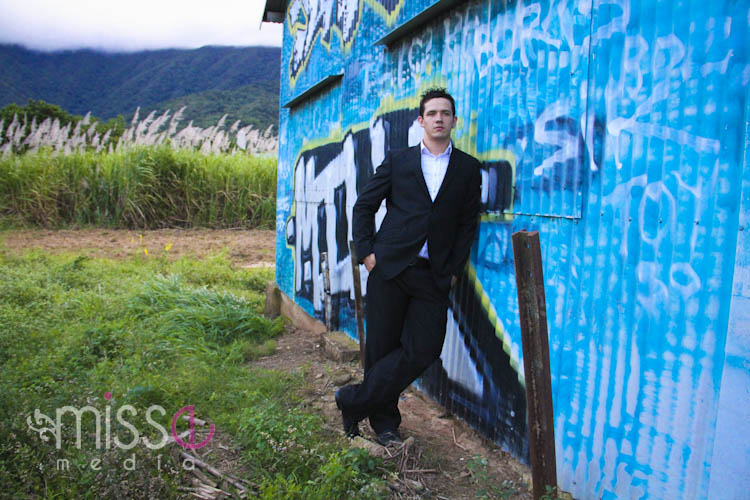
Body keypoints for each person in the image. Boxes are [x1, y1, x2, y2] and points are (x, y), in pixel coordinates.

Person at [335, 88, 482, 445]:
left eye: (445, 113)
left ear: (454, 121)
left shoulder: (467, 168)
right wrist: (368, 254)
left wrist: (452, 270)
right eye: (432, 113)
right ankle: (385, 425)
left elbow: (467, 224)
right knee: (382, 348)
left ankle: (353, 400)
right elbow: (364, 206)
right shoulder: (399, 160)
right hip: (390, 268)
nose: (439, 118)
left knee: (425, 348)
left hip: (434, 274)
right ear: (421, 121)